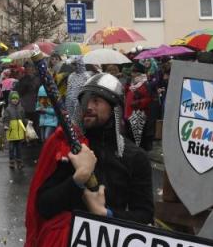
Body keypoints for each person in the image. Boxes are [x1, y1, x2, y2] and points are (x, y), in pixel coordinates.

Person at [26, 72, 154, 246]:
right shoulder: (71, 148)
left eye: (96, 100)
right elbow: (43, 206)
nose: (88, 106)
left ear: (114, 108)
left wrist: (106, 214)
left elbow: (144, 215)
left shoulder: (135, 157)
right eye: (85, 100)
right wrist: (77, 179)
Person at [124, 63, 153, 149]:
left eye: (134, 72)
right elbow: (127, 94)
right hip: (128, 113)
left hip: (139, 115)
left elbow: (150, 99)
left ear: (139, 73)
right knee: (129, 135)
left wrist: (139, 103)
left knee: (138, 137)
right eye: (132, 72)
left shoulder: (146, 84)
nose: (132, 74)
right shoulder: (131, 83)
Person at [17, 64, 41, 140]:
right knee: (27, 122)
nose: (30, 69)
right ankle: (28, 138)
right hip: (25, 104)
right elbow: (20, 91)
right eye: (28, 68)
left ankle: (35, 138)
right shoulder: (23, 79)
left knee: (35, 122)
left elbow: (39, 90)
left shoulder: (37, 79)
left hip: (35, 104)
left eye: (31, 68)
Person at [4, 91, 27, 169]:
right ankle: (12, 162)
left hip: (19, 131)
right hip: (11, 131)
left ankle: (19, 161)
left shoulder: (21, 108)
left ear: (18, 99)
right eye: (13, 98)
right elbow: (6, 119)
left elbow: (23, 119)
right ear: (10, 99)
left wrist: (27, 123)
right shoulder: (8, 109)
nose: (15, 100)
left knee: (19, 148)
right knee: (11, 148)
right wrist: (6, 125)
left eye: (16, 98)